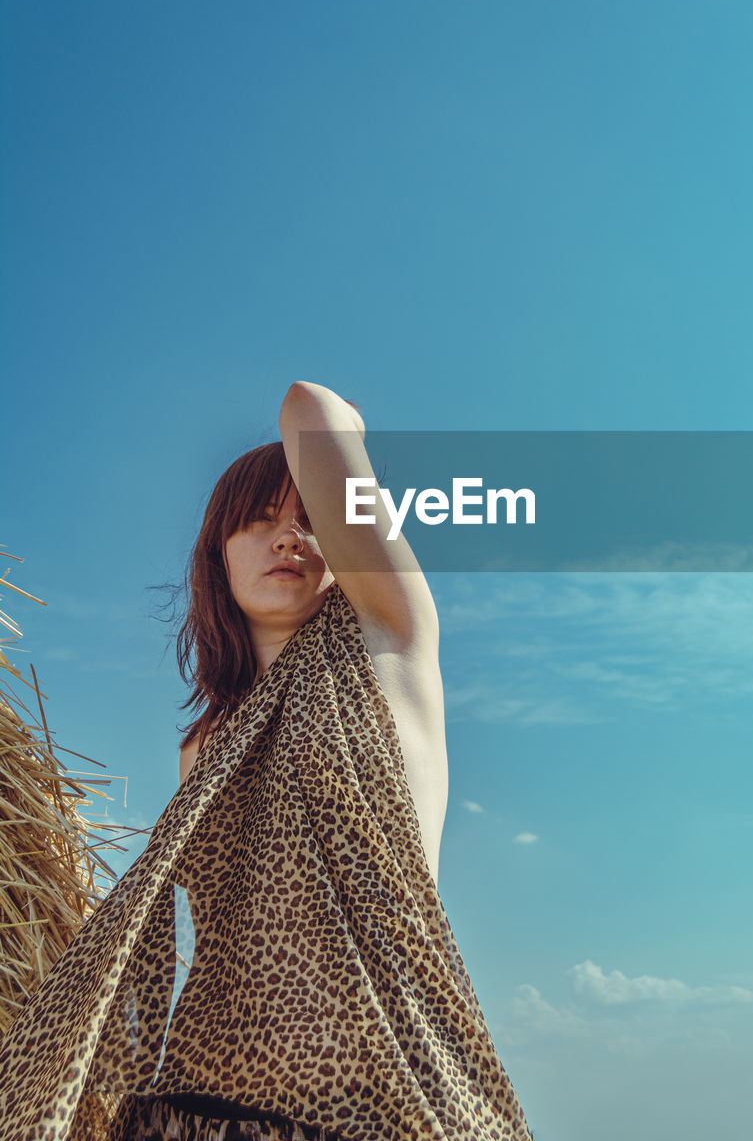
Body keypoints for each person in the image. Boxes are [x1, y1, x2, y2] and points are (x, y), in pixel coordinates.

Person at [0, 381, 534, 1141]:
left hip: (383, 1101)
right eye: (258, 522)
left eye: (312, 520)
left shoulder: (389, 638)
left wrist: (341, 435)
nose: (289, 538)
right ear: (216, 555)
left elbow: (308, 407)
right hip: (200, 1112)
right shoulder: (201, 747)